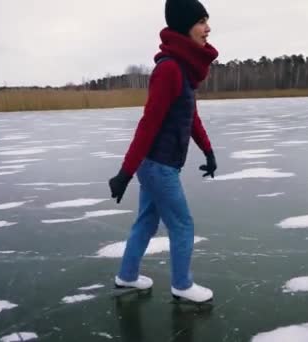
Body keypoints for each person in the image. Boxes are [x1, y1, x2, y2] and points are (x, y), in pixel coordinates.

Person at [108, 0, 218, 303]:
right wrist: (125, 173)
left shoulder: (183, 67)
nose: (208, 29)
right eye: (201, 22)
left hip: (159, 164)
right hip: (158, 165)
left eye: (207, 21)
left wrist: (208, 151)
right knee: (182, 224)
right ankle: (182, 285)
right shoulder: (169, 69)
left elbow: (189, 116)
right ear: (185, 25)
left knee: (146, 221)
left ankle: (127, 276)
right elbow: (148, 124)